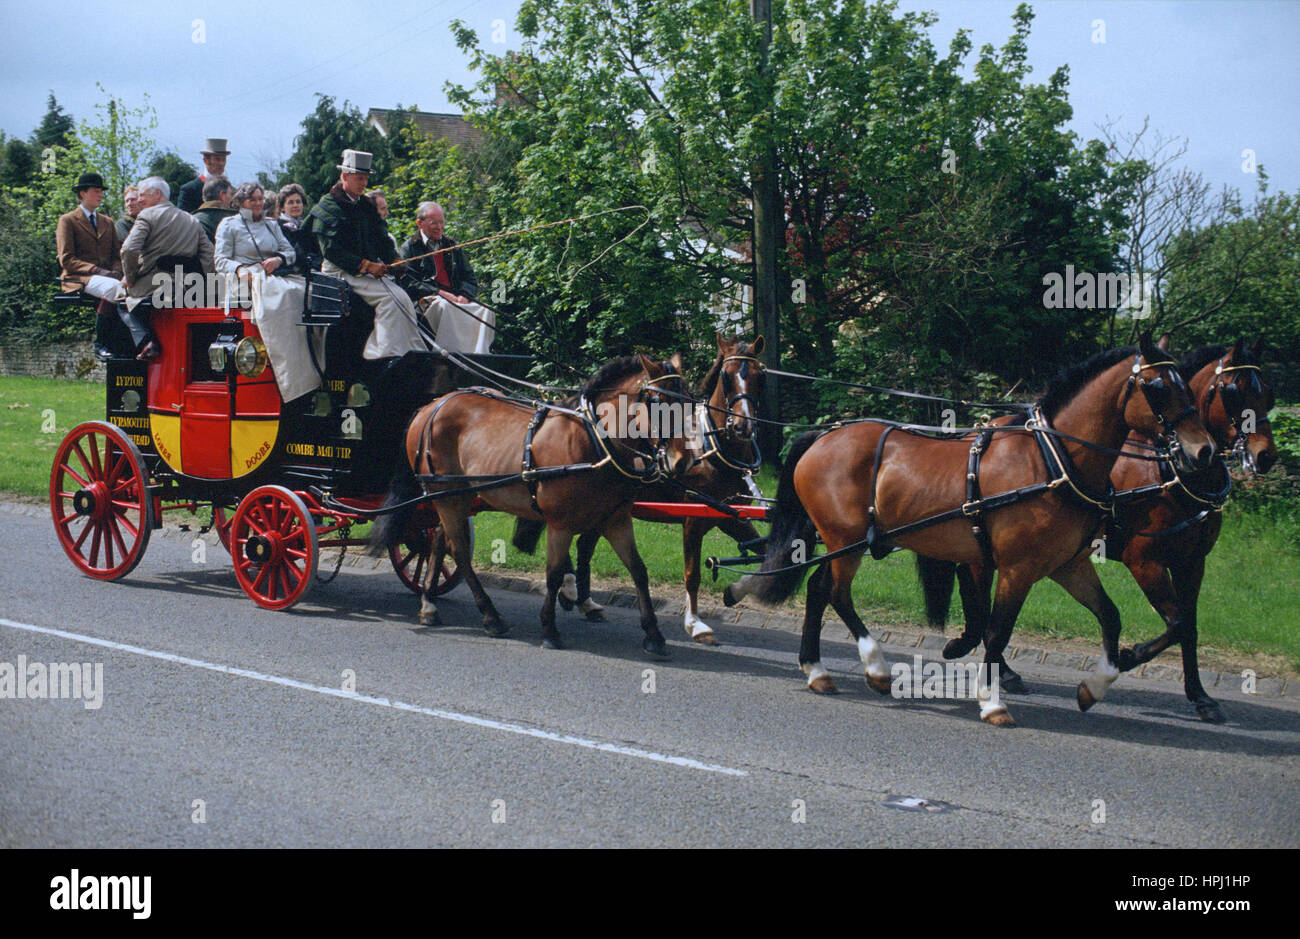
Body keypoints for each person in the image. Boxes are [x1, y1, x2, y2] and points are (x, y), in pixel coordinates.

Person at [305, 149, 426, 360]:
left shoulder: (366, 206)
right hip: (339, 272)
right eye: (359, 178)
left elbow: (382, 239)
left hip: (364, 271)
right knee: (392, 299)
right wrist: (367, 266)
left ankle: (410, 351)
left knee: (403, 298)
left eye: (366, 178)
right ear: (345, 176)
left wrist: (395, 260)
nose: (364, 183)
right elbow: (331, 251)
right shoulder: (327, 206)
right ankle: (383, 354)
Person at [214, 183, 322, 402]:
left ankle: (311, 368)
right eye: (252, 199)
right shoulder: (229, 225)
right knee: (280, 296)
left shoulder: (271, 225)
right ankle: (287, 373)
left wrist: (278, 259)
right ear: (241, 202)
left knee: (305, 290)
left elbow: (289, 252)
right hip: (243, 277)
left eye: (260, 198)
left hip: (272, 274)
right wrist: (239, 269)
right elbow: (220, 260)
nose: (258, 203)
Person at [120, 176, 215, 360]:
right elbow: (209, 259)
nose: (139, 200)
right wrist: (211, 291)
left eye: (142, 195)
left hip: (154, 287)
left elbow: (129, 249)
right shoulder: (192, 220)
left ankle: (147, 343)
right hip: (188, 288)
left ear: (157, 194)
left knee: (119, 301)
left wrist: (130, 278)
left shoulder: (147, 216)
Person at [397, 201, 494, 353]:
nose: (439, 227)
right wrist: (439, 293)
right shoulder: (409, 248)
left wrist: (464, 295)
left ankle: (479, 355)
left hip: (456, 298)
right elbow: (407, 282)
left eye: (441, 222)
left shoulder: (451, 245)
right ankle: (449, 355)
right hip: (429, 300)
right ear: (419, 223)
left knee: (485, 310)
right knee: (446, 307)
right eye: (434, 223)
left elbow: (469, 278)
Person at [57, 172, 126, 360]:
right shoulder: (68, 220)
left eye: (101, 191)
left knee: (127, 289)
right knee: (114, 288)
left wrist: (117, 270)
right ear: (82, 194)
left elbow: (116, 254)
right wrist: (97, 271)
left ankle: (123, 343)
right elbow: (67, 259)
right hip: (78, 276)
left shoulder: (107, 221)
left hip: (108, 276)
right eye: (96, 191)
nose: (100, 195)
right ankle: (100, 344)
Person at [177, 138, 230, 213]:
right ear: (205, 160)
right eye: (217, 159)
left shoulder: (230, 191)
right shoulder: (190, 190)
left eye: (224, 159)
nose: (221, 163)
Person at [275, 182, 313, 273]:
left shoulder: (306, 225)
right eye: (290, 202)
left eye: (298, 202)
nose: (295, 205)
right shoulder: (278, 226)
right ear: (282, 208)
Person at [193, 177, 235, 243]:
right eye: (231, 194)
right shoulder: (235, 220)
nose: (232, 198)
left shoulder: (192, 220)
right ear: (222, 196)